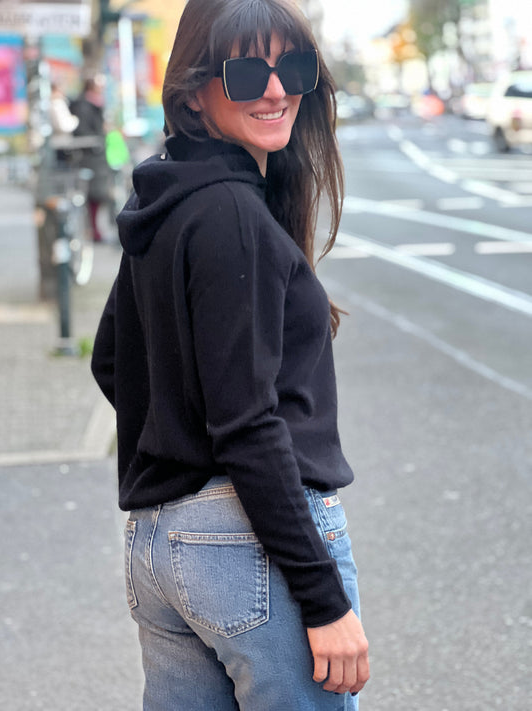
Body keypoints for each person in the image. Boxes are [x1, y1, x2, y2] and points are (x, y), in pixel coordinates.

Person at [91, 0, 369, 708]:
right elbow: (246, 423)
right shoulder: (233, 215)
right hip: (248, 542)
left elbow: (112, 360)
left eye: (293, 68)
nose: (276, 91)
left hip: (161, 540)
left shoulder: (166, 198)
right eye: (247, 73)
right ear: (194, 91)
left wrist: (182, 451)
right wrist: (324, 600)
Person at [70, 75, 111, 242]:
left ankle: (94, 230)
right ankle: (92, 231)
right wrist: (96, 143)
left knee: (98, 195)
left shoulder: (95, 104)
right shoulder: (84, 105)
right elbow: (82, 130)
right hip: (89, 156)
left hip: (96, 156)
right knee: (92, 195)